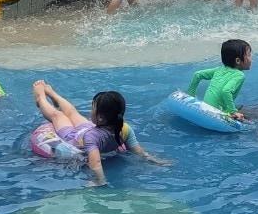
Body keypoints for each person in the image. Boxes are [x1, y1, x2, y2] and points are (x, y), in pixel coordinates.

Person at [30, 80, 165, 186]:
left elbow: (95, 163)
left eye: (92, 107)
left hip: (74, 138)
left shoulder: (91, 137)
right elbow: (138, 151)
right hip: (90, 128)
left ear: (100, 117)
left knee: (58, 116)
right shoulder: (125, 128)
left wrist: (100, 181)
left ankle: (40, 98)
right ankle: (53, 94)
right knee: (72, 113)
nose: (91, 110)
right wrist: (152, 159)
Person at [187, 39, 253, 122]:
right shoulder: (239, 75)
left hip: (205, 107)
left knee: (240, 108)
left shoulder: (219, 70)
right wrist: (233, 112)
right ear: (238, 61)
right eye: (249, 55)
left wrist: (190, 95)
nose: (251, 59)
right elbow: (226, 91)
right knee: (257, 117)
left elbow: (197, 75)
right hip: (217, 113)